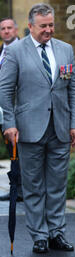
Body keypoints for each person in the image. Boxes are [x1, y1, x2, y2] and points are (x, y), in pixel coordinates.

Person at [0, 3, 75, 254]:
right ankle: (40, 236)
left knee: (57, 184)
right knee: (34, 185)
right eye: (43, 26)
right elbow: (5, 90)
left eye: (51, 25)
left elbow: (74, 88)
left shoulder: (66, 50)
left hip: (60, 127)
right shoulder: (16, 51)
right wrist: (9, 123)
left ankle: (57, 232)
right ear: (30, 26)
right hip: (28, 129)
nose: (48, 30)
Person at [0, 17, 22, 202]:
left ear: (16, 30)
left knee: (19, 150)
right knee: (10, 150)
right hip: (2, 110)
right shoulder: (1, 52)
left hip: (18, 111)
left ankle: (21, 190)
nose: (6, 31)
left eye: (9, 28)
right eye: (3, 28)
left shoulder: (23, 50)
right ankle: (15, 187)